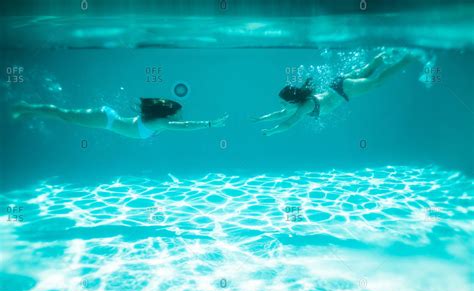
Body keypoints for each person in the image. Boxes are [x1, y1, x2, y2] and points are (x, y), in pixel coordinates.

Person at [252, 50, 421, 136]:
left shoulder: (305, 105)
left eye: (284, 102)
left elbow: (289, 123)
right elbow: (280, 114)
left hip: (343, 89)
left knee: (376, 82)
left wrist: (272, 132)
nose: (282, 105)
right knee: (368, 69)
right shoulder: (296, 104)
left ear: (292, 101)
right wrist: (261, 119)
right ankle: (389, 52)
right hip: (337, 84)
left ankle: (408, 58)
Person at [12, 98, 228, 139]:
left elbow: (182, 124)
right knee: (65, 116)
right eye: (178, 111)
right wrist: (209, 124)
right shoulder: (163, 123)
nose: (181, 115)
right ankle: (26, 107)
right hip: (105, 120)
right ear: (171, 113)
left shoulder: (161, 122)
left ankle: (27, 109)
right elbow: (185, 126)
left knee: (65, 117)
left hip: (107, 119)